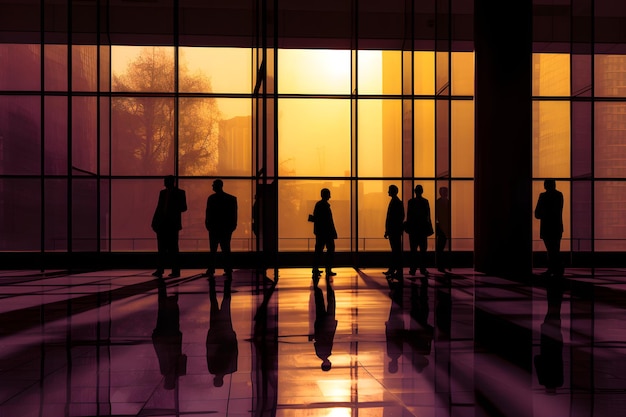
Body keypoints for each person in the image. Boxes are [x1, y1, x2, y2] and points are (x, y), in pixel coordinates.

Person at [151, 175, 187, 278]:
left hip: (170, 224)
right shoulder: (166, 193)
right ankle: (168, 270)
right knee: (166, 248)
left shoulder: (178, 193)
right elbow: (159, 207)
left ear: (171, 182)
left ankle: (169, 270)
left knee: (170, 249)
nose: (165, 183)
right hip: (167, 224)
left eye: (166, 181)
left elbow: (183, 207)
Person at [204, 179, 238, 279]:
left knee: (213, 250)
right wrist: (232, 226)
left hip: (214, 228)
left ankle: (211, 269)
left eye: (213, 185)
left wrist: (208, 225)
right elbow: (234, 214)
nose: (212, 187)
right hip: (225, 228)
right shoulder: (231, 199)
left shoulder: (211, 198)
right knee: (226, 249)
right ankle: (227, 269)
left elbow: (208, 213)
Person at [534, 179, 564, 277]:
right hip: (556, 227)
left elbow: (537, 214)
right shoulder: (559, 195)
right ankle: (557, 269)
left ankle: (552, 269)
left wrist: (544, 214)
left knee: (550, 250)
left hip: (547, 227)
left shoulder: (543, 196)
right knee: (555, 249)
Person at [405, 184, 432, 276]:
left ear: (415, 191)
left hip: (413, 230)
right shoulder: (425, 202)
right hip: (422, 230)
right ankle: (422, 269)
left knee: (413, 251)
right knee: (423, 251)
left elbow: (409, 216)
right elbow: (428, 216)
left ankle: (413, 269)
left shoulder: (411, 202)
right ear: (422, 191)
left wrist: (408, 227)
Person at [311, 188, 337, 277]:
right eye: (329, 194)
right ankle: (328, 269)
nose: (330, 196)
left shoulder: (319, 205)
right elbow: (329, 221)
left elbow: (317, 218)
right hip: (326, 232)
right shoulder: (325, 206)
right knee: (330, 250)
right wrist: (333, 232)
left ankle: (316, 268)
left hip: (320, 232)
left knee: (318, 250)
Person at [384, 185, 405, 278]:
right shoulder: (397, 202)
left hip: (394, 230)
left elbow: (392, 218)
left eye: (389, 190)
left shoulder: (395, 202)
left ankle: (396, 269)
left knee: (396, 251)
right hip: (395, 230)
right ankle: (395, 269)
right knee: (396, 251)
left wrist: (388, 230)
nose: (388, 192)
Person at [435, 186, 451, 273]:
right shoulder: (439, 202)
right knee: (440, 248)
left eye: (446, 191)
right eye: (443, 192)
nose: (445, 193)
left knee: (441, 247)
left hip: (445, 227)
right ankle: (440, 265)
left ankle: (441, 265)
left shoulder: (448, 202)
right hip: (442, 228)